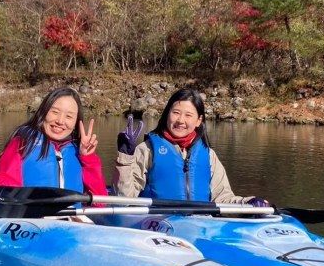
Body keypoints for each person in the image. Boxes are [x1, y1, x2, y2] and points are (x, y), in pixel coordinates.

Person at [112, 88, 269, 206]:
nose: (181, 120)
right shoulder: (146, 150)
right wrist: (125, 158)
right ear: (167, 114)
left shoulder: (208, 155)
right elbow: (124, 200)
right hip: (157, 224)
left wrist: (248, 203)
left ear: (199, 120)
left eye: (188, 115)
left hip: (200, 225)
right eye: (176, 113)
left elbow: (222, 198)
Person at [0, 87, 108, 197]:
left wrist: (88, 158)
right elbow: (3, 186)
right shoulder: (23, 142)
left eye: (69, 116)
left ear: (76, 122)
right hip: (31, 216)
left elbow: (99, 201)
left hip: (72, 217)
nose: (60, 121)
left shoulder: (79, 150)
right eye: (55, 112)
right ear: (44, 111)